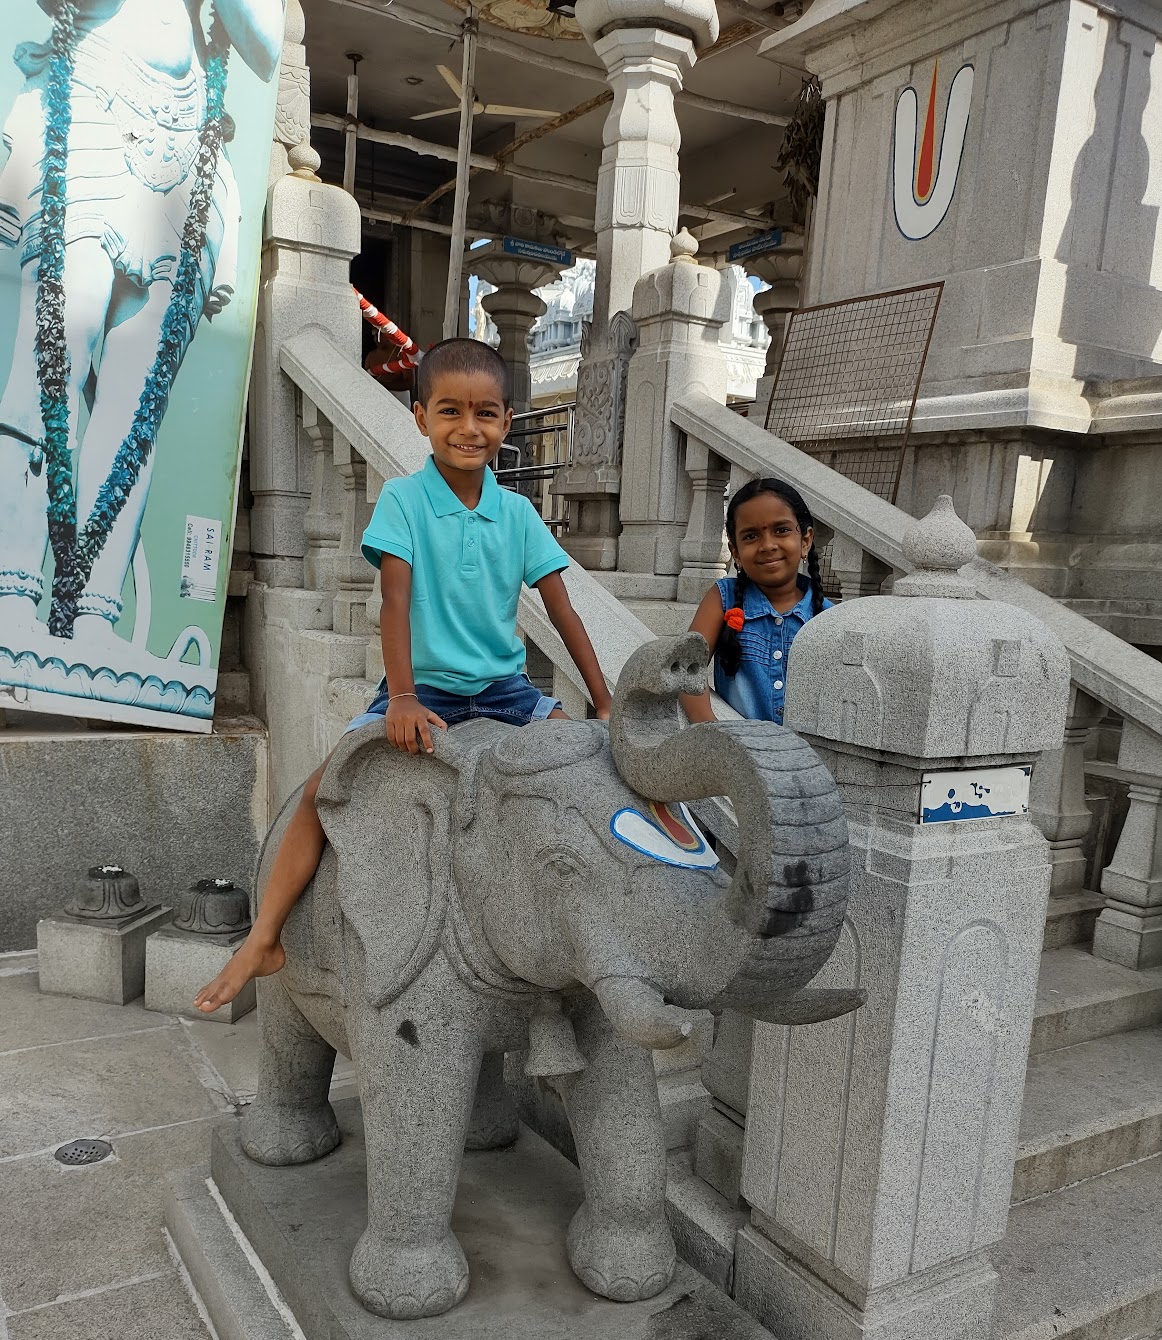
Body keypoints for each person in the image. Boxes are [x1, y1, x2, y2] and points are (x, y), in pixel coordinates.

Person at [195, 338, 611, 1012]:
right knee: (319, 790)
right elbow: (393, 602)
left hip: (507, 694)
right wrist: (405, 698)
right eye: (449, 411)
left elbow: (562, 609)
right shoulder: (404, 501)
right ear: (420, 417)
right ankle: (264, 937)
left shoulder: (518, 514)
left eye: (484, 414)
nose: (467, 428)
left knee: (584, 775)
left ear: (506, 421)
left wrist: (601, 699)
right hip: (424, 688)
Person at [0, 0, 283, 646]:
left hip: (187, 144)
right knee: (50, 361)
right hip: (94, 101)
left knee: (135, 405)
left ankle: (94, 610)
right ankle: (11, 593)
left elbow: (264, 46)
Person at [679, 477, 832, 727]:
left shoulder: (826, 618)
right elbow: (687, 668)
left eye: (781, 530)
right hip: (740, 755)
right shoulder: (723, 599)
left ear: (805, 540)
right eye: (751, 536)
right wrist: (710, 730)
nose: (767, 545)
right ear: (736, 552)